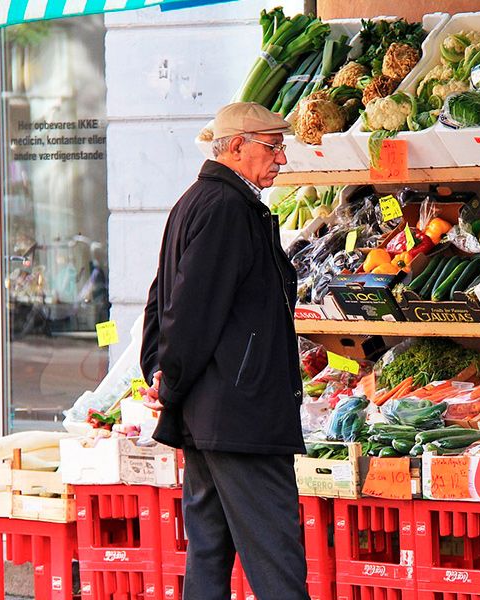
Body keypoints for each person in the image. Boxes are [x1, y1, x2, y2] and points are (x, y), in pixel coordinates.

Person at [139, 102, 306, 600]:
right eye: (272, 147)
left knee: (209, 556)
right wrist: (168, 376)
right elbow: (189, 309)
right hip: (241, 415)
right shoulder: (228, 209)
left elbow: (161, 297)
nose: (281, 159)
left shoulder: (198, 201)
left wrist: (164, 375)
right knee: (277, 557)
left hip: (212, 413)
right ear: (236, 147)